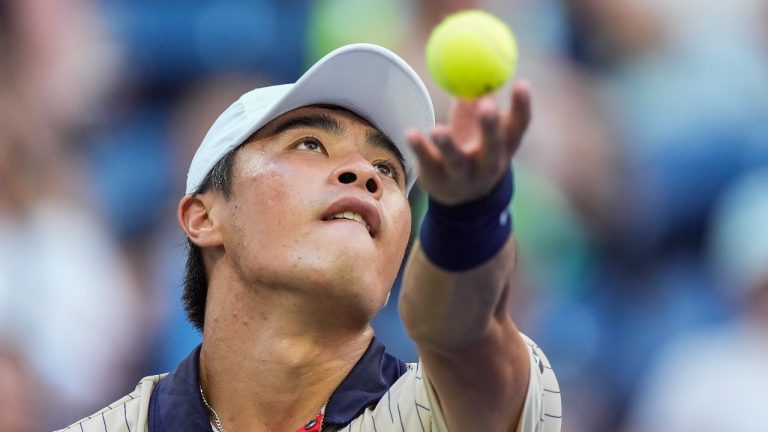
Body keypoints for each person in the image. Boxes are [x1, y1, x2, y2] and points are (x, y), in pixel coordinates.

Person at [58, 43, 561, 432]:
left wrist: (468, 217)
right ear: (203, 217)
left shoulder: (447, 412)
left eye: (387, 170)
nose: (365, 173)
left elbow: (463, 337)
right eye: (310, 144)